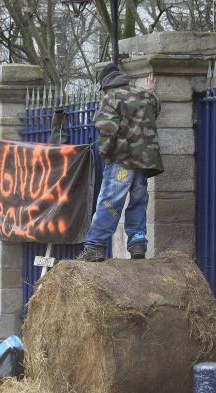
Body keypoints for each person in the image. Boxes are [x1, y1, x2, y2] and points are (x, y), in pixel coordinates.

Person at [76, 63, 163, 262]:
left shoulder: (111, 97)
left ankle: (95, 246)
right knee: (139, 200)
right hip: (145, 161)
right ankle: (137, 243)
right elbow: (155, 109)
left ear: (105, 83)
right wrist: (151, 92)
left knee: (110, 200)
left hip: (121, 160)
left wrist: (106, 154)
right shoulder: (144, 95)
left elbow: (107, 130)